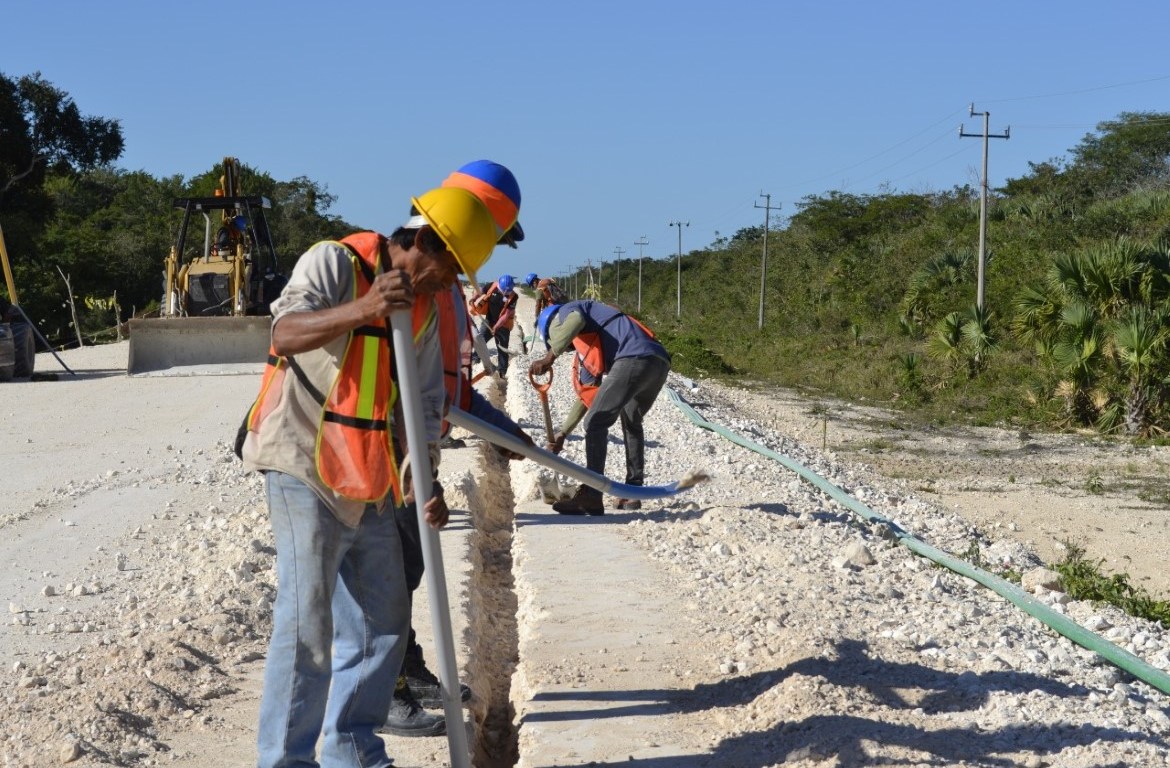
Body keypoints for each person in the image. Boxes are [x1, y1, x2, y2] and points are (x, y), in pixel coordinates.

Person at [238, 185, 499, 766]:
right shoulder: (336, 262)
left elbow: (422, 402)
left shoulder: (427, 307)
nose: (449, 283)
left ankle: (351, 748)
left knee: (383, 618)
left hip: (372, 472)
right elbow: (283, 334)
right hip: (303, 463)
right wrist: (367, 307)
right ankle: (286, 761)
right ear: (421, 241)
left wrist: (424, 481)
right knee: (307, 624)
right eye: (448, 266)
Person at [529, 300, 671, 515]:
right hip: (657, 361)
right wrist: (563, 432)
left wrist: (549, 357)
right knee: (631, 422)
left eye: (554, 341)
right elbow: (588, 395)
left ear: (554, 326)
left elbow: (575, 321)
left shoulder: (570, 311)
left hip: (633, 357)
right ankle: (632, 492)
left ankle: (592, 495)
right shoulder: (590, 343)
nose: (567, 347)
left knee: (595, 423)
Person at [469, 273, 518, 375]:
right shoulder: (492, 286)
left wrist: (496, 326)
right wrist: (473, 299)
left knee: (502, 349)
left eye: (508, 291)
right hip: (489, 321)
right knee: (480, 341)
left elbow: (506, 315)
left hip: (503, 325)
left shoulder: (513, 297)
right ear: (500, 286)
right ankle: (474, 360)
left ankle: (502, 372)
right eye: (504, 291)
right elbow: (480, 291)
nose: (506, 293)